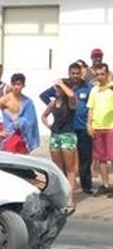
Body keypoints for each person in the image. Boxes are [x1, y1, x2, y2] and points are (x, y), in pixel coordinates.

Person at [40, 61, 93, 194]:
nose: (75, 75)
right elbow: (44, 95)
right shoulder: (63, 85)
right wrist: (55, 107)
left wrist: (90, 123)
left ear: (81, 73)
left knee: (85, 157)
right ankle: (65, 187)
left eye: (77, 73)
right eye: (72, 73)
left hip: (82, 126)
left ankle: (86, 186)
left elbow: (93, 104)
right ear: (69, 73)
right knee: (65, 162)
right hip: (66, 128)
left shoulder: (87, 87)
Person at [41, 77, 80, 208]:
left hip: (68, 136)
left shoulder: (71, 102)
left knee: (70, 169)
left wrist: (62, 84)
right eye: (56, 88)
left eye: (58, 88)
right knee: (58, 168)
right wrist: (49, 126)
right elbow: (44, 116)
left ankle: (69, 198)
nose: (56, 90)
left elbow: (71, 95)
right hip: (55, 136)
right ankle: (60, 195)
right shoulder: (53, 103)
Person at [0, 73, 39, 155]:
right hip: (10, 136)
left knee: (23, 162)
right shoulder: (5, 99)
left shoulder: (27, 101)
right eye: (14, 84)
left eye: (18, 84)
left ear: (23, 85)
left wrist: (22, 122)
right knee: (10, 162)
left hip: (24, 137)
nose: (16, 87)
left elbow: (32, 121)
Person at [88, 62, 113, 195]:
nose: (100, 76)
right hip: (97, 128)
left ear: (107, 74)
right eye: (97, 74)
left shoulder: (111, 89)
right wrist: (89, 124)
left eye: (102, 74)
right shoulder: (94, 90)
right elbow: (90, 109)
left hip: (110, 128)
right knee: (101, 158)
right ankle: (105, 184)